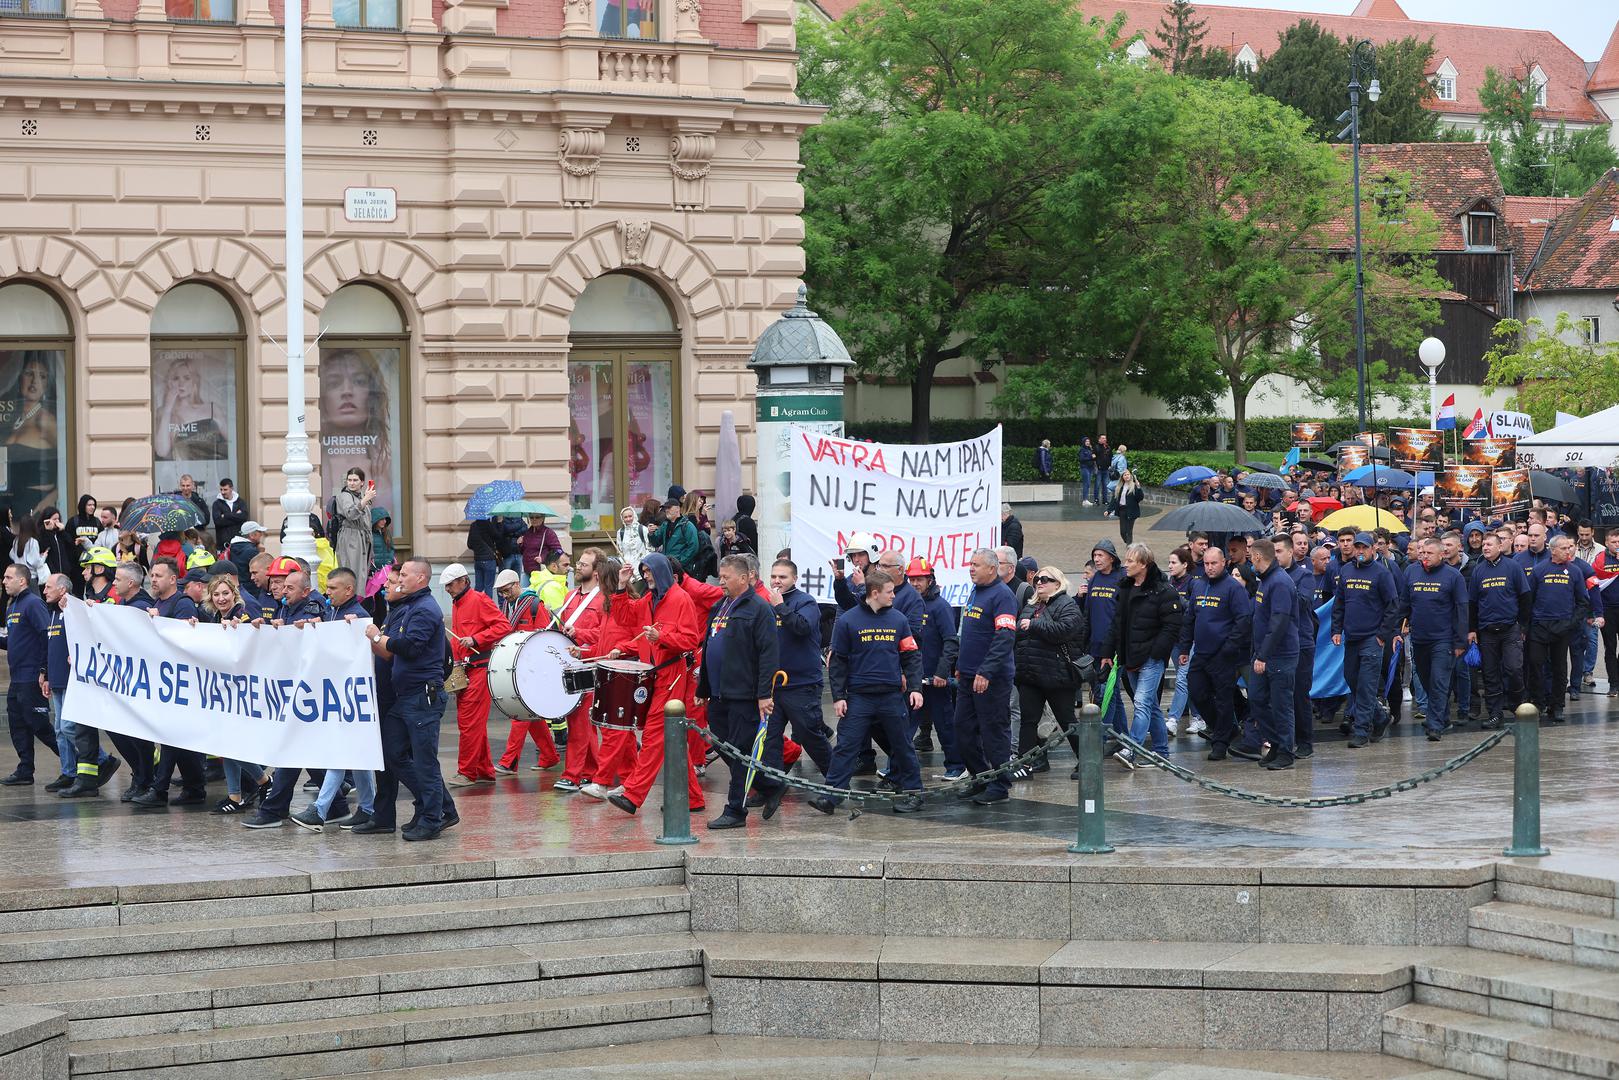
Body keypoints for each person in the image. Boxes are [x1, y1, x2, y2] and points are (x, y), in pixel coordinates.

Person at [808, 567, 925, 816]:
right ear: (874, 593)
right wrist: (839, 696)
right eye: (890, 591)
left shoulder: (899, 620)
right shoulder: (848, 620)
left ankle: (915, 793)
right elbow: (838, 662)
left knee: (903, 745)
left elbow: (911, 657)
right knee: (846, 746)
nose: (894, 596)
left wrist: (915, 688)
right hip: (859, 697)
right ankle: (832, 796)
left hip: (891, 696)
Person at [361, 558, 456, 841]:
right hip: (406, 698)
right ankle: (437, 808)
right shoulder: (407, 606)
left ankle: (432, 818)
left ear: (421, 579)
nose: (398, 579)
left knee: (425, 762)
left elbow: (410, 647)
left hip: (422, 696)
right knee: (393, 753)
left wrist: (378, 637)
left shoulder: (425, 609)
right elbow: (392, 650)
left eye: (403, 575)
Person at [607, 554, 707, 817]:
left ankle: (633, 794)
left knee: (653, 735)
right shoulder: (649, 600)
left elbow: (690, 639)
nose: (646, 576)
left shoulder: (680, 598)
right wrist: (620, 586)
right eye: (644, 571)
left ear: (661, 572)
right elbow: (624, 616)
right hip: (655, 675)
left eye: (649, 571)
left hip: (672, 673)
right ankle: (693, 798)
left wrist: (661, 637)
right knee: (672, 739)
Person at [695, 555, 783, 828]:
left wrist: (764, 694)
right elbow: (709, 646)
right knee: (725, 747)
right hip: (720, 693)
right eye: (720, 576)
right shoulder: (721, 606)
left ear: (744, 578)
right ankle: (769, 784)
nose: (721, 581)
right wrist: (704, 687)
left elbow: (769, 654)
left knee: (740, 750)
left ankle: (735, 811)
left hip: (745, 694)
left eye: (726, 577)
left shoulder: (759, 608)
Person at [131, 558, 209, 809]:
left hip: (181, 681)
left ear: (173, 579)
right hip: (164, 680)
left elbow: (185, 639)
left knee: (171, 736)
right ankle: (194, 788)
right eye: (151, 575)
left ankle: (160, 788)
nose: (153, 579)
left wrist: (160, 623)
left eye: (158, 575)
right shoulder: (157, 603)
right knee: (180, 738)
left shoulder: (182, 603)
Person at [1099, 543, 1184, 769]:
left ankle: (1132, 749)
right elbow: (1116, 623)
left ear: (1144, 564)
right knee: (1151, 705)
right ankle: (1162, 752)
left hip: (1151, 658)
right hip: (1130, 655)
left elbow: (1172, 626)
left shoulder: (1164, 591)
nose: (1125, 565)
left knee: (1141, 702)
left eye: (1130, 561)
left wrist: (1157, 652)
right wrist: (1108, 652)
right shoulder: (1126, 588)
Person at [951, 548, 1018, 805]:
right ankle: (981, 776)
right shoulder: (975, 592)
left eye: (976, 564)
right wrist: (961, 664)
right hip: (968, 675)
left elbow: (1004, 638)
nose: (971, 568)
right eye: (970, 563)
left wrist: (985, 671)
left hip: (991, 678)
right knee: (962, 728)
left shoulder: (1002, 596)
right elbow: (969, 634)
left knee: (993, 731)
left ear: (992, 568)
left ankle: (1000, 784)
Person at [1179, 546, 1253, 762]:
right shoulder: (1199, 584)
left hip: (1223, 655)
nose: (1210, 567)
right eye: (1207, 564)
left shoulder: (1233, 587)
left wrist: (1229, 647)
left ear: (1223, 563)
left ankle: (1220, 742)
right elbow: (1190, 618)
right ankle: (1226, 728)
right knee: (1197, 693)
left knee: (1223, 699)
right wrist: (1185, 647)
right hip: (1201, 653)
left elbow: (1243, 620)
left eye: (1214, 563)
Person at [442, 562, 512, 787]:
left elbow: (504, 627)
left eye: (450, 584)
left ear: (463, 581)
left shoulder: (479, 599)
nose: (447, 589)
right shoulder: (459, 601)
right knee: (472, 723)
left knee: (470, 722)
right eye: (446, 585)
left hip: (479, 668)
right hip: (465, 668)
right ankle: (483, 769)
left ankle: (467, 772)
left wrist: (476, 639)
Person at [766, 558, 835, 784]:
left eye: (782, 577)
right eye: (774, 576)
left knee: (809, 734)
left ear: (794, 579)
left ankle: (837, 781)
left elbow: (802, 627)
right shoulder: (766, 603)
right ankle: (772, 785)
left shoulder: (806, 602)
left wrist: (780, 606)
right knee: (770, 738)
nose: (777, 581)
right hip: (774, 684)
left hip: (802, 684)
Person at [1013, 566, 1086, 777]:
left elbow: (1064, 631)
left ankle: (1087, 761)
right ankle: (1025, 765)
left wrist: (1034, 625)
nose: (1039, 583)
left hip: (1057, 675)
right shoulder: (1031, 605)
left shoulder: (1067, 604)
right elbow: (1019, 631)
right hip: (1030, 674)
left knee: (1066, 720)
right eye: (1037, 579)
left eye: (1045, 579)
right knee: (1028, 720)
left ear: (1058, 583)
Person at [1332, 532, 1401, 749]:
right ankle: (1380, 716)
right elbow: (1339, 603)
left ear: (1373, 549)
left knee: (1367, 685)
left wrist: (1382, 635)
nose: (1360, 551)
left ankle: (1362, 730)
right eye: (1357, 547)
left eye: (1364, 548)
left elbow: (1392, 606)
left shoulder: (1382, 573)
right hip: (1352, 636)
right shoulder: (1346, 570)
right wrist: (1336, 628)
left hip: (1373, 638)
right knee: (1351, 679)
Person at [1526, 535, 1602, 725]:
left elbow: (1583, 602)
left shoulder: (1575, 571)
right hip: (1540, 626)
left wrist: (1571, 622)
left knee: (1560, 668)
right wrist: (1530, 624)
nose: (1568, 551)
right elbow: (1528, 600)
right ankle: (1538, 701)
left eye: (1569, 548)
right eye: (1563, 548)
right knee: (1536, 664)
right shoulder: (1538, 570)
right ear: (1553, 550)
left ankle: (1557, 704)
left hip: (1563, 627)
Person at [546, 550, 606, 788]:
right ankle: (591, 770)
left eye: (583, 564)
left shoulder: (604, 599)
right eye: (578, 563)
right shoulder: (570, 596)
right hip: (569, 665)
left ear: (597, 571)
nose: (577, 567)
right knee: (580, 721)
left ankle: (571, 774)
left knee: (580, 721)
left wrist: (580, 634)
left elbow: (606, 634)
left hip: (590, 666)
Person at [1403, 537, 1469, 743]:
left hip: (1443, 639)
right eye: (1422, 553)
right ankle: (1442, 716)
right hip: (1419, 638)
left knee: (1438, 681)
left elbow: (1461, 609)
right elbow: (1404, 602)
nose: (1425, 557)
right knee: (1425, 681)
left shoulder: (1453, 576)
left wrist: (1460, 642)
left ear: (1442, 554)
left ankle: (1434, 725)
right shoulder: (1411, 572)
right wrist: (1397, 627)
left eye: (1430, 553)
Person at [0, 563, 56, 787]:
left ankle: (87, 763)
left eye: (8, 577)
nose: (4, 581)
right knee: (17, 723)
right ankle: (25, 769)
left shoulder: (33, 603)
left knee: (39, 724)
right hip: (17, 677)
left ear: (22, 580)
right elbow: (14, 641)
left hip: (32, 676)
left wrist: (45, 670)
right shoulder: (12, 605)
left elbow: (46, 636)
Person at [1470, 529, 1531, 729]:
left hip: (1510, 628)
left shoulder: (1513, 567)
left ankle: (1515, 704)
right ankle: (1495, 714)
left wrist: (1522, 625)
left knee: (1514, 669)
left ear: (1500, 547)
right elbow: (1472, 603)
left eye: (1489, 544)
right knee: (1490, 674)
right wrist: (1472, 630)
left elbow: (1525, 597)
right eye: (1484, 545)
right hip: (1487, 630)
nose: (1485, 547)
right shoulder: (1478, 570)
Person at [1247, 539, 1299, 770]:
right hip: (1263, 653)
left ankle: (1286, 751)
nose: (1250, 560)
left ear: (1258, 556)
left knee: (1281, 705)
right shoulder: (1266, 580)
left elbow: (1279, 622)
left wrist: (1263, 656)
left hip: (1279, 655)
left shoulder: (1279, 582)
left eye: (1251, 556)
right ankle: (1276, 742)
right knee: (1257, 699)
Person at [905, 557, 959, 767]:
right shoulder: (910, 604)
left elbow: (950, 641)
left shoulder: (940, 606)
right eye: (912, 579)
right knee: (905, 726)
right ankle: (895, 768)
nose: (915, 583)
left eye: (920, 579)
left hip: (935, 680)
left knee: (945, 725)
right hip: (915, 679)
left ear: (930, 579)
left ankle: (956, 765)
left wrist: (942, 672)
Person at [1080, 539, 1126, 736]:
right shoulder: (1095, 579)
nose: (1096, 559)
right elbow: (1088, 613)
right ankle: (1124, 736)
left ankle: (1102, 737)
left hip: (1114, 647)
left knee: (1107, 692)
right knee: (1111, 693)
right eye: (1094, 555)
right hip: (1096, 645)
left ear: (1111, 557)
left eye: (1100, 555)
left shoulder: (1123, 578)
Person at [331, 468, 375, 585]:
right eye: (349, 480)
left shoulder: (360, 496)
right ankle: (351, 600)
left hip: (362, 539)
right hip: (350, 537)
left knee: (361, 574)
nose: (351, 483)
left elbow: (366, 519)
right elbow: (350, 514)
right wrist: (365, 499)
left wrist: (365, 498)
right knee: (352, 573)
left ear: (362, 482)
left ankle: (358, 600)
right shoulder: (344, 496)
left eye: (355, 480)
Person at [650, 499, 699, 567]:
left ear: (678, 509)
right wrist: (651, 534)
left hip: (682, 568)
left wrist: (680, 562)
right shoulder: (665, 524)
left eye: (669, 508)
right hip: (667, 565)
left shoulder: (687, 525)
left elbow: (693, 547)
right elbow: (656, 543)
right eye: (665, 508)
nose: (666, 510)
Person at [466, 514, 502, 598]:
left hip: (478, 560)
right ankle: (487, 609)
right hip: (489, 559)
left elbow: (469, 544)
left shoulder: (473, 526)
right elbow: (498, 536)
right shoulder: (488, 524)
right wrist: (499, 523)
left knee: (478, 587)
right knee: (488, 587)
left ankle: (474, 606)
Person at [210, 478, 248, 551]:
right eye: (221, 489)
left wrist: (226, 515)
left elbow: (244, 517)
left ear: (231, 488)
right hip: (223, 545)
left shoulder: (240, 502)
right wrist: (236, 516)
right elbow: (218, 521)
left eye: (225, 489)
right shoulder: (217, 504)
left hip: (239, 543)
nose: (223, 492)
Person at [9, 512, 47, 585]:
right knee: (35, 596)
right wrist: (43, 556)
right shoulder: (33, 542)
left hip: (18, 576)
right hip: (30, 577)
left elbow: (11, 555)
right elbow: (36, 562)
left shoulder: (16, 541)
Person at [1111, 471, 1145, 544]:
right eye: (1125, 475)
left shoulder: (1134, 486)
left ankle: (1129, 547)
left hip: (1131, 511)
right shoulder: (1120, 487)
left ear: (1130, 476)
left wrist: (1138, 487)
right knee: (1122, 532)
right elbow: (1114, 499)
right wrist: (1108, 510)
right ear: (1122, 477)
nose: (1127, 476)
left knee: (1129, 531)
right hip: (1122, 510)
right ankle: (1129, 544)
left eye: (1128, 474)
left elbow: (1140, 498)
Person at [1078, 437, 1099, 507]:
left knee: (1088, 484)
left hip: (1090, 468)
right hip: (1085, 468)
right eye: (1086, 441)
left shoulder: (1090, 449)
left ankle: (1085, 500)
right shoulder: (1082, 449)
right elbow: (1081, 459)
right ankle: (1084, 500)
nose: (1087, 442)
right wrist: (1091, 457)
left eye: (1088, 441)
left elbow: (1093, 457)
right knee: (1086, 484)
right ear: (1083, 442)